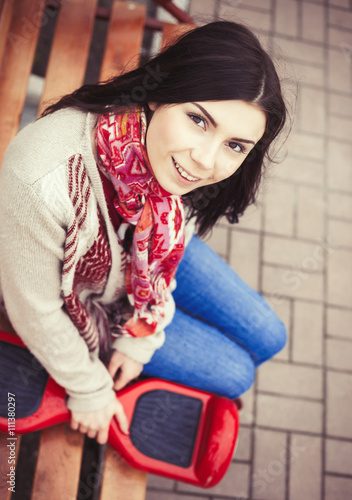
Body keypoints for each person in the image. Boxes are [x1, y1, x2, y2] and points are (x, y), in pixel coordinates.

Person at [0, 21, 287, 445]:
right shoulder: (41, 179)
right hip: (81, 294)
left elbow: (171, 239)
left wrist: (145, 333)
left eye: (236, 146)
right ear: (158, 95)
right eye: (198, 120)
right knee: (236, 373)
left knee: (269, 334)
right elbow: (34, 309)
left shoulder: (172, 159)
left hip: (143, 257)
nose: (206, 161)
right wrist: (89, 388)